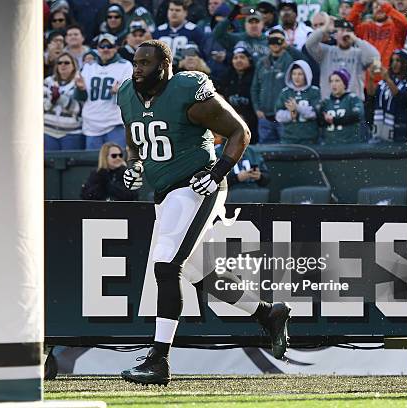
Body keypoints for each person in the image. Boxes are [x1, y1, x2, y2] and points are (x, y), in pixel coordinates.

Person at [117, 39, 291, 385]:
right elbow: (134, 135)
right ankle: (268, 313)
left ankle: (158, 360)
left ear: (165, 67)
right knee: (198, 274)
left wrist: (216, 173)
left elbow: (239, 132)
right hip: (165, 193)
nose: (137, 69)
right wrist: (135, 163)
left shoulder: (186, 90)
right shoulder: (126, 94)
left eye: (145, 63)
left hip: (196, 187)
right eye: (135, 63)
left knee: (167, 266)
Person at [75, 33, 133, 149]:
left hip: (115, 122)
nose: (106, 49)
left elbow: (132, 96)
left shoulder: (125, 66)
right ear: (97, 48)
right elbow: (80, 98)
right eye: (102, 46)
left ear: (116, 48)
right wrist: (80, 89)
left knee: (116, 161)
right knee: (93, 164)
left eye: (109, 46)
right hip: (91, 124)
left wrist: (121, 91)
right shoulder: (89, 67)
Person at [251, 28, 308, 144]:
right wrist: (257, 109)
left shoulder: (291, 59)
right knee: (265, 154)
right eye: (272, 40)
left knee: (287, 150)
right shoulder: (262, 62)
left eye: (279, 40)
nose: (275, 43)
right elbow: (255, 87)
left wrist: (287, 46)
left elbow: (304, 62)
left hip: (285, 115)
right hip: (265, 117)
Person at [305, 19, 379, 100]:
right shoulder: (326, 52)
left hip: (353, 104)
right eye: (342, 31)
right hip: (329, 104)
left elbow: (375, 56)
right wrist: (325, 28)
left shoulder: (359, 54)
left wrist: (356, 40)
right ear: (336, 35)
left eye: (348, 31)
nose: (345, 34)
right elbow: (309, 44)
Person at [347, 0, 407, 83]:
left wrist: (386, 7)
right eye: (376, 7)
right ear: (371, 10)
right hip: (368, 81)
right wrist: (360, 3)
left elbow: (404, 24)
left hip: (390, 81)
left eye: (382, 6)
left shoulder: (395, 28)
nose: (379, 9)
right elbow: (348, 26)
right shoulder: (365, 27)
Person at [367, 49, 407, 143]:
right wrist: (371, 79)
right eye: (392, 60)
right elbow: (371, 95)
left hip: (400, 128)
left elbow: (402, 99)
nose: (394, 64)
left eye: (398, 60)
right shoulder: (384, 81)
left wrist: (387, 79)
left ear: (405, 63)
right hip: (380, 126)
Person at [216, 44, 259, 141]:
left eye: (242, 57)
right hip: (230, 121)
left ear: (249, 60)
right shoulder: (226, 76)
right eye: (235, 58)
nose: (238, 60)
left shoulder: (255, 76)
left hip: (252, 122)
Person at [275, 60, 321, 144]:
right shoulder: (285, 92)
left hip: (309, 138)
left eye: (300, 74)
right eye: (294, 74)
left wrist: (297, 108)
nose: (296, 77)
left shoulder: (314, 91)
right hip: (289, 138)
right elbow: (278, 115)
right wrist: (291, 115)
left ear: (306, 75)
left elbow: (314, 114)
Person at [44, 52, 84, 151]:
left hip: (71, 133)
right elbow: (44, 107)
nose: (63, 65)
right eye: (59, 63)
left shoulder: (79, 82)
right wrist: (53, 100)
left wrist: (60, 98)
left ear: (74, 66)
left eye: (67, 63)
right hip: (48, 132)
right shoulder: (47, 82)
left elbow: (79, 109)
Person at [319, 68, 365, 144]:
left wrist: (334, 120)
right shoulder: (326, 102)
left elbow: (357, 115)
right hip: (329, 145)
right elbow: (319, 120)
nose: (334, 84)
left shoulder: (352, 99)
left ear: (344, 83)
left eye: (337, 81)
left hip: (349, 144)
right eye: (331, 81)